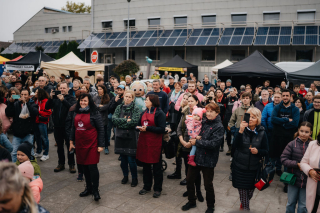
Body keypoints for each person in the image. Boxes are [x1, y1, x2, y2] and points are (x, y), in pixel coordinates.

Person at [181, 103, 224, 213]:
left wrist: (197, 141)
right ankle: (191, 201)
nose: (208, 114)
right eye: (207, 111)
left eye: (211, 111)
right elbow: (193, 131)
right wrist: (192, 139)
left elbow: (213, 144)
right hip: (196, 157)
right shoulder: (203, 121)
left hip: (208, 159)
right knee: (190, 180)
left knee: (207, 184)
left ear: (217, 113)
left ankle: (210, 206)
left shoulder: (219, 126)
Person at [69, 94, 105, 201]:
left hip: (92, 144)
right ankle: (88, 188)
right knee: (84, 167)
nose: (83, 102)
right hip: (80, 145)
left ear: (89, 101)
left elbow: (101, 129)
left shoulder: (95, 113)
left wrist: (101, 145)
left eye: (85, 101)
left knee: (92, 168)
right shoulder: (76, 112)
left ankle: (95, 190)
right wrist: (71, 142)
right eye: (81, 101)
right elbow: (73, 128)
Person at [232, 108, 268, 211]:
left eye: (253, 117)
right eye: (249, 116)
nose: (251, 119)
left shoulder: (262, 132)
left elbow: (266, 150)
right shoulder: (241, 130)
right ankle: (245, 208)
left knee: (250, 193)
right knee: (243, 194)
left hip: (254, 169)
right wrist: (240, 131)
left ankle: (243, 205)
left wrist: (258, 151)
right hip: (240, 167)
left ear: (258, 119)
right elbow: (234, 146)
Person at [136, 94, 166, 198]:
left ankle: (157, 189)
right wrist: (138, 127)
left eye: (147, 100)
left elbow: (162, 129)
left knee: (157, 168)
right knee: (146, 167)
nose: (145, 101)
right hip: (144, 142)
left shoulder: (159, 113)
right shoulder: (144, 112)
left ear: (153, 102)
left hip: (155, 144)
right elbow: (139, 123)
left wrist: (147, 128)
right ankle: (146, 186)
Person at [270, 89, 300, 192]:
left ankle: (286, 183)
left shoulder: (295, 109)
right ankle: (269, 177)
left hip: (288, 138)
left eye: (287, 95)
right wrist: (286, 120)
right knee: (274, 157)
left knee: (287, 160)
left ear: (291, 97)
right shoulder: (277, 107)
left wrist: (281, 124)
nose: (285, 97)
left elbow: (295, 123)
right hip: (276, 137)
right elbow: (273, 119)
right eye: (284, 96)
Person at [281, 121, 312, 213]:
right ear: (298, 130)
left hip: (307, 181)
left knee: (303, 206)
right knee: (290, 203)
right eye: (302, 131)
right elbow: (283, 159)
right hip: (293, 179)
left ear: (310, 133)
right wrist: (296, 164)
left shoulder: (313, 145)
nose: (303, 134)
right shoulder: (291, 144)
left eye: (306, 132)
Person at [46, 82, 77, 173]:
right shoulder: (55, 98)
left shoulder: (72, 98)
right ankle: (61, 164)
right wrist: (51, 98)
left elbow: (72, 108)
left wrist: (63, 100)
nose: (62, 90)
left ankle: (71, 164)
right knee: (59, 146)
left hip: (68, 126)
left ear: (68, 89)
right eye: (60, 88)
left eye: (64, 88)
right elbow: (47, 107)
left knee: (69, 146)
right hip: (57, 126)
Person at [112, 90, 140, 187]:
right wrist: (126, 121)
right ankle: (125, 176)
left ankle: (134, 178)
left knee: (131, 160)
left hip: (131, 136)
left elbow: (135, 122)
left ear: (132, 98)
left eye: (129, 97)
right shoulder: (119, 107)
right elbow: (114, 120)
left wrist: (122, 123)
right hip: (120, 136)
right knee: (123, 160)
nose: (127, 98)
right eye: (126, 96)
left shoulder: (135, 109)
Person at [177, 95, 204, 196]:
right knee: (187, 170)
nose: (190, 103)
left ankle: (198, 191)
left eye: (192, 101)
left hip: (196, 146)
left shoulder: (201, 113)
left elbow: (203, 131)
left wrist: (193, 142)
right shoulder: (186, 113)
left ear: (197, 102)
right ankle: (189, 190)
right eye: (188, 101)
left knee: (196, 171)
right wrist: (183, 141)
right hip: (185, 145)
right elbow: (179, 128)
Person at [5, 89, 39, 163]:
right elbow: (8, 113)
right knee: (14, 153)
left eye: (25, 95)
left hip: (28, 133)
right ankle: (14, 170)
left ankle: (32, 168)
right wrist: (10, 103)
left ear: (29, 96)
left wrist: (26, 103)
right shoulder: (16, 104)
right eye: (22, 94)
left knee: (30, 153)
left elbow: (35, 113)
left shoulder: (33, 104)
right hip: (17, 134)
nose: (23, 96)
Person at [167, 92, 191, 181]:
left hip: (185, 136)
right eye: (183, 98)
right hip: (178, 134)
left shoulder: (189, 110)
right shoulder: (180, 109)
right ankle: (177, 172)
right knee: (178, 155)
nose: (185, 100)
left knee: (185, 157)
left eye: (187, 99)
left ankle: (187, 177)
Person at [300, 133, 320, 213]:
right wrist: (310, 171)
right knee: (312, 209)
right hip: (314, 185)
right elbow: (303, 162)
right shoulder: (313, 144)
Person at [33, 89, 52, 161]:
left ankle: (46, 153)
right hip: (36, 121)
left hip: (42, 122)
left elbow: (48, 112)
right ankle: (39, 151)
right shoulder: (35, 100)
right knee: (37, 137)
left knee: (44, 137)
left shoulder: (45, 101)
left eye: (36, 92)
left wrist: (38, 112)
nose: (35, 93)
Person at [93, 85, 111, 154]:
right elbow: (93, 106)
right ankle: (97, 146)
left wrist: (97, 105)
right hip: (96, 118)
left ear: (104, 89)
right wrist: (99, 105)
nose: (99, 90)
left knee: (104, 134)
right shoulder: (95, 97)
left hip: (103, 119)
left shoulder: (107, 97)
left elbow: (104, 107)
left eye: (101, 89)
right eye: (98, 89)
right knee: (96, 133)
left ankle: (106, 147)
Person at [222, 87, 238, 153]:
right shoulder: (228, 98)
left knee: (235, 134)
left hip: (235, 119)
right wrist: (225, 94)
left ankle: (235, 148)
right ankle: (229, 148)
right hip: (227, 118)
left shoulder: (237, 99)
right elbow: (223, 101)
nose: (232, 93)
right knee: (228, 134)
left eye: (234, 91)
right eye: (231, 91)